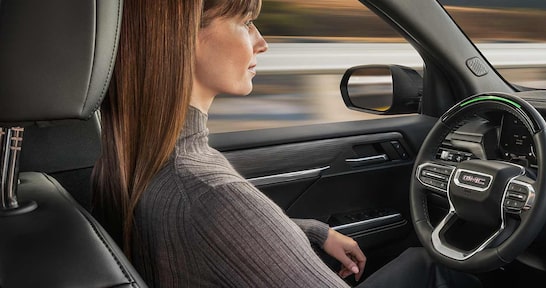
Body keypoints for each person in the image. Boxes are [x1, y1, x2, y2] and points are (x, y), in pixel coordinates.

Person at [90, 1, 481, 287]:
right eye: (245, 23)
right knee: (440, 268)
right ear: (182, 39)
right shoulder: (209, 193)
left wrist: (313, 231)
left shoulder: (134, 160)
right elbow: (219, 215)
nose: (262, 43)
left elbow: (219, 231)